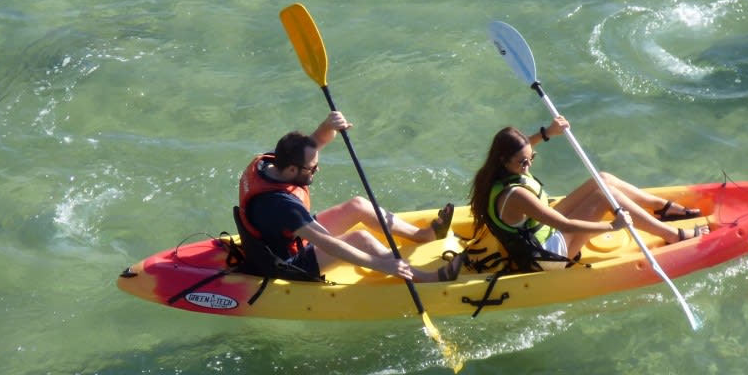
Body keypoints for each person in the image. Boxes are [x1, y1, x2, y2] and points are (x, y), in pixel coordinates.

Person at [236, 111, 459, 282]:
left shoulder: (271, 162)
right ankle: (425, 278)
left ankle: (422, 235)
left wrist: (328, 124)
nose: (317, 170)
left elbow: (316, 141)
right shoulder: (280, 205)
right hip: (287, 264)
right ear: (293, 170)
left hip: (289, 236)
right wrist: (383, 266)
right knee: (360, 239)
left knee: (358, 205)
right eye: (312, 169)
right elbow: (330, 245)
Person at [467, 117, 708, 272]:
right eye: (523, 163)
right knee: (604, 196)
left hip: (539, 230)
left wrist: (548, 132)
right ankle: (673, 235)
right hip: (546, 255)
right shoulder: (517, 195)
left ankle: (660, 206)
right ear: (504, 159)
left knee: (601, 178)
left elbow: (523, 146)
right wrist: (613, 226)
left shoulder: (496, 169)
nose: (528, 165)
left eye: (531, 159)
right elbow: (566, 225)